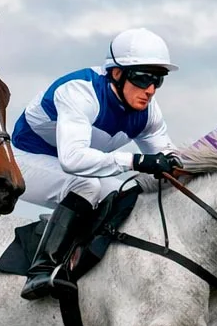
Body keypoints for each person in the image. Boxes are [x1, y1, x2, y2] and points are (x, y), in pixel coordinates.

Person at [12, 28, 181, 300]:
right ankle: (42, 270)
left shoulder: (149, 112)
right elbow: (73, 159)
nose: (150, 90)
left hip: (80, 166)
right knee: (87, 185)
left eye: (158, 80)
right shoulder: (80, 92)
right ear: (116, 73)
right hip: (24, 161)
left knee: (130, 194)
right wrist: (136, 160)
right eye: (143, 78)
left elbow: (168, 157)